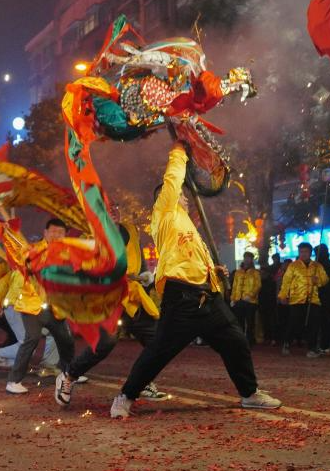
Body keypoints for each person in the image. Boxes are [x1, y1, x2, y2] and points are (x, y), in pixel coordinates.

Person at [111, 142, 280, 418]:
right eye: (182, 195)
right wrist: (179, 152)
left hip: (208, 298)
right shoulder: (164, 213)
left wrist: (214, 271)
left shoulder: (186, 225)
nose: (186, 198)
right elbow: (172, 179)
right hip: (181, 299)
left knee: (236, 341)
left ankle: (249, 394)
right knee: (159, 352)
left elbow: (191, 257)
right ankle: (126, 396)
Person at [59, 218, 167, 404]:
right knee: (105, 344)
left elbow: (138, 260)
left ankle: (142, 381)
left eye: (116, 206)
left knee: (156, 340)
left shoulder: (131, 230)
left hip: (132, 297)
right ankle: (69, 376)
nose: (114, 210)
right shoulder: (89, 237)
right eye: (108, 207)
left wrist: (144, 274)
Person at [4, 218, 76, 398]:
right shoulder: (34, 250)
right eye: (53, 231)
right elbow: (21, 262)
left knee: (66, 340)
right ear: (45, 233)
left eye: (60, 232)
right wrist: (8, 233)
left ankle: (70, 374)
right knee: (32, 339)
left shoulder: (66, 254)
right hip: (32, 305)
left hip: (54, 307)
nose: (56, 235)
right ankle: (13, 381)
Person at [279, 242, 329, 358]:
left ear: (310, 253)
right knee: (293, 322)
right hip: (297, 299)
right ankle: (287, 343)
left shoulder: (317, 266)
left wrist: (318, 281)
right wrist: (283, 295)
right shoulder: (293, 266)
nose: (303, 254)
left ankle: (312, 348)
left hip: (313, 299)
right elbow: (286, 282)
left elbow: (325, 279)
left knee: (314, 324)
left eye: (306, 252)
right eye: (301, 252)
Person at [230, 252, 261, 346]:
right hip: (239, 300)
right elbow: (234, 286)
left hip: (251, 301)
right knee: (239, 321)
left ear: (252, 260)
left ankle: (250, 340)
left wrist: (250, 295)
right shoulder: (238, 272)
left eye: (249, 258)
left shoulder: (255, 273)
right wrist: (233, 299)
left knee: (250, 322)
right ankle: (240, 340)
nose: (247, 260)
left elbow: (258, 286)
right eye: (246, 258)